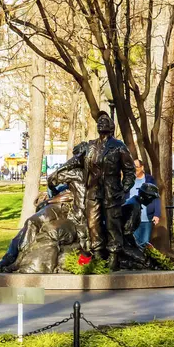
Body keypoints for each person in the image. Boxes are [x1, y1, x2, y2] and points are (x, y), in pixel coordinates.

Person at [59, 111, 135, 270]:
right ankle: (98, 253)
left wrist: (124, 189)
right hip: (93, 191)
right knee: (93, 224)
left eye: (105, 121)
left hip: (111, 192)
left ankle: (114, 254)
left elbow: (129, 171)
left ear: (111, 127)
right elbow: (75, 160)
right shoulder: (90, 146)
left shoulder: (118, 147)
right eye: (99, 121)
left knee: (112, 225)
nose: (101, 123)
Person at [129, 160, 161, 246]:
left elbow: (156, 197)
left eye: (136, 167)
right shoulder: (129, 180)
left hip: (146, 219)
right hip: (132, 218)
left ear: (142, 167)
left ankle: (145, 259)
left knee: (144, 244)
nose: (134, 169)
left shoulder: (149, 180)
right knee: (133, 244)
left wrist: (157, 214)